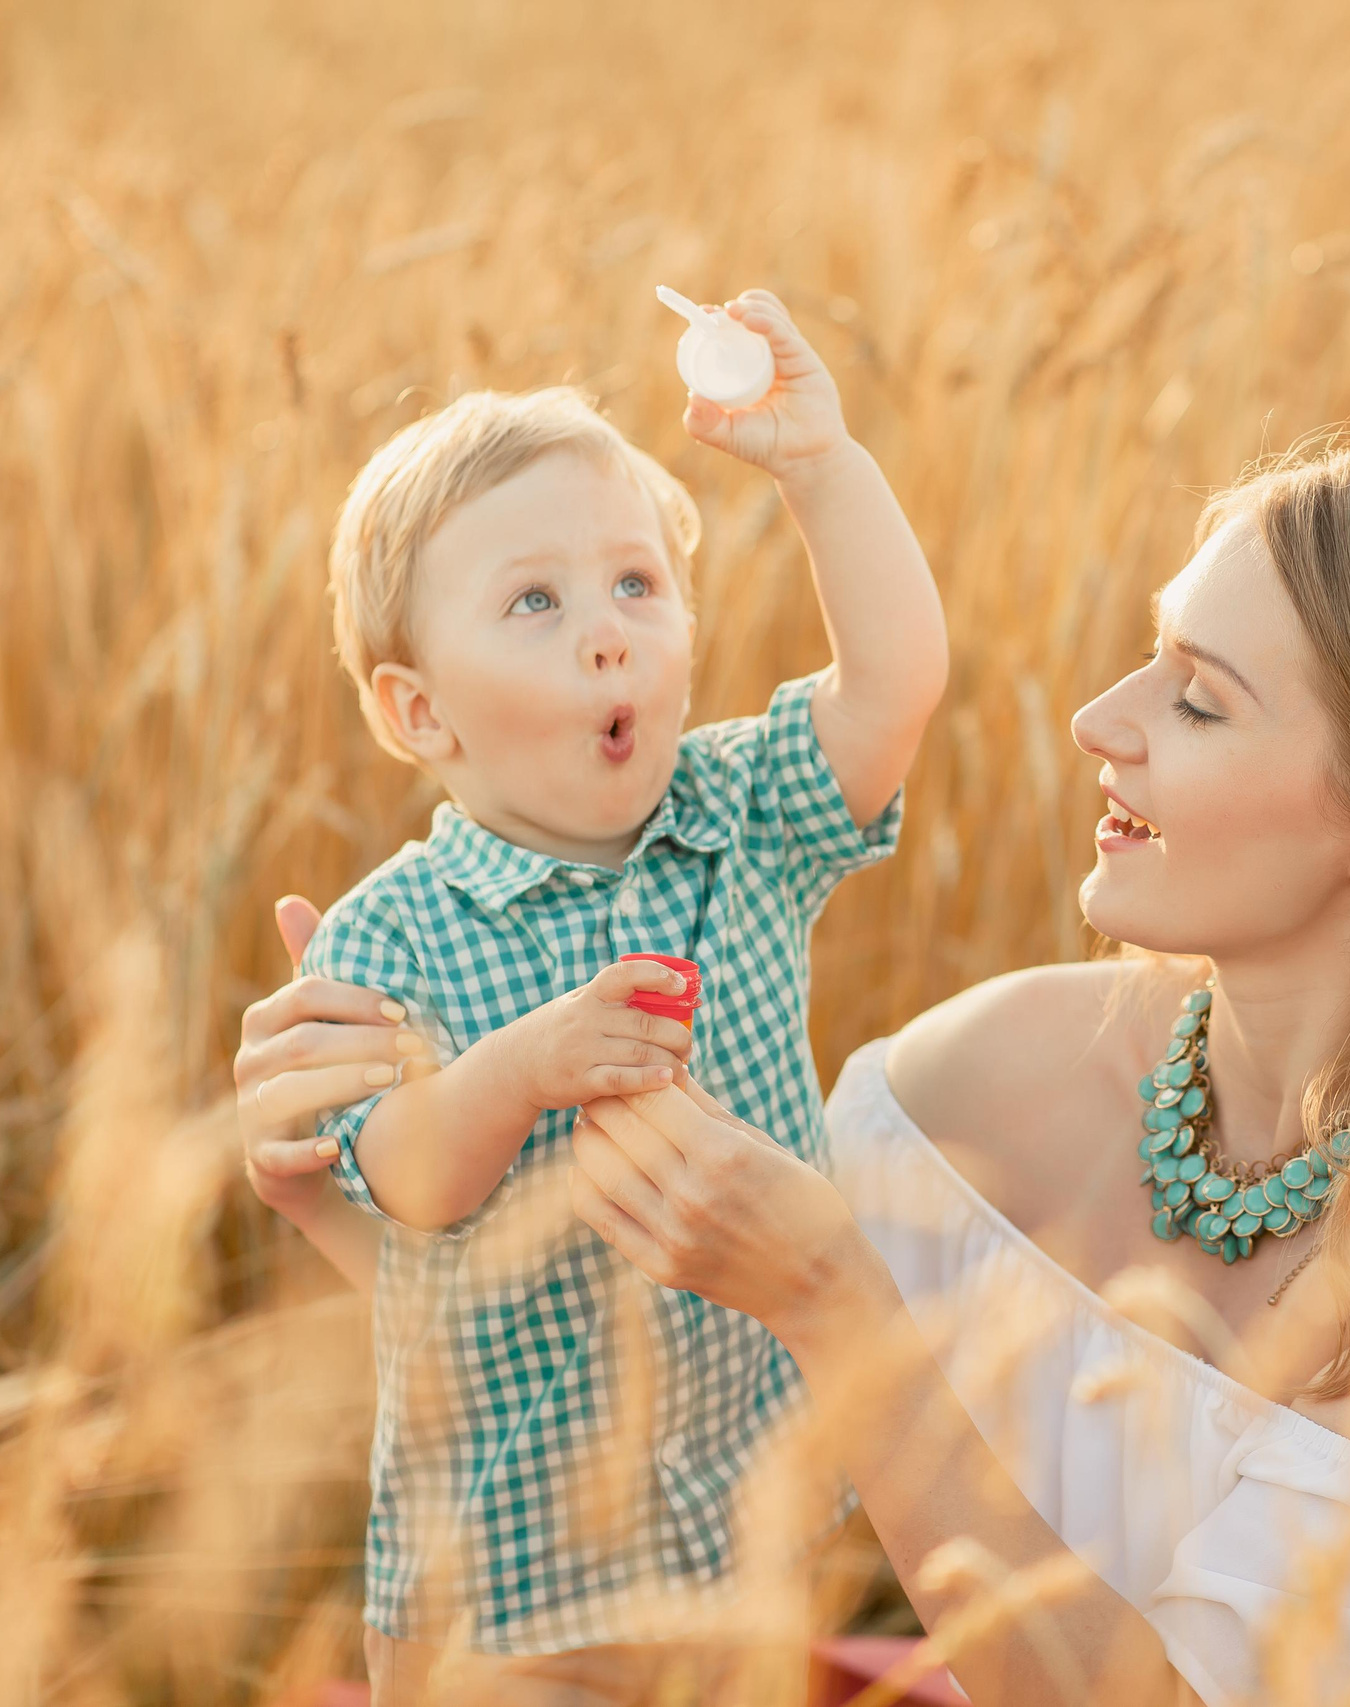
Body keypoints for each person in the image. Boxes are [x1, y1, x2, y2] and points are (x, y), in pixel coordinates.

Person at [244, 439, 1350, 1706]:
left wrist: (841, 1310)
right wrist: (355, 1185)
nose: (1099, 721)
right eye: (1153, 653)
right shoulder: (979, 1083)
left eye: (1196, 699)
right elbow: (638, 1368)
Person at [257, 291, 948, 1700]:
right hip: (501, 1584)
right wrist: (526, 1065)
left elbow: (896, 685)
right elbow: (410, 1181)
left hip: (734, 1525)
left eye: (638, 584)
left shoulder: (741, 817)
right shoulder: (392, 932)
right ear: (419, 713)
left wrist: (818, 465)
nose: (609, 633)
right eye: (536, 602)